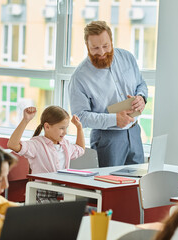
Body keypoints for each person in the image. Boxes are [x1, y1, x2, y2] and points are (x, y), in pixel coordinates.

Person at [68, 20, 148, 167]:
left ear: (111, 41)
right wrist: (114, 119)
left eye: (105, 46)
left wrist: (142, 97)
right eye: (95, 48)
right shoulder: (79, 77)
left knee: (137, 185)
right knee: (109, 186)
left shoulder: (127, 58)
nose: (102, 52)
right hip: (107, 138)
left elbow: (141, 84)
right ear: (87, 46)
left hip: (134, 132)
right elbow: (80, 117)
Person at [7, 106, 85, 203]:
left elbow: (81, 149)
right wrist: (25, 120)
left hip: (62, 191)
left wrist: (79, 128)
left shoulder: (65, 144)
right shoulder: (36, 144)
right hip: (43, 192)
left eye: (66, 128)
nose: (65, 132)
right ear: (47, 127)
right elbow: (12, 144)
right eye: (61, 128)